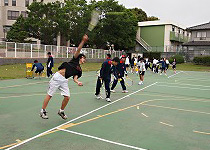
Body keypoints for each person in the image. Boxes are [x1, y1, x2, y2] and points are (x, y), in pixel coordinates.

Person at [39, 34, 88, 120]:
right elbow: (79, 49)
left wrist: (78, 82)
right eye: (84, 58)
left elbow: (75, 78)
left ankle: (61, 111)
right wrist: (83, 41)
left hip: (64, 80)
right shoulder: (75, 59)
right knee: (50, 94)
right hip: (57, 77)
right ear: (81, 57)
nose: (85, 60)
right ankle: (43, 110)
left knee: (67, 97)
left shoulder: (79, 70)